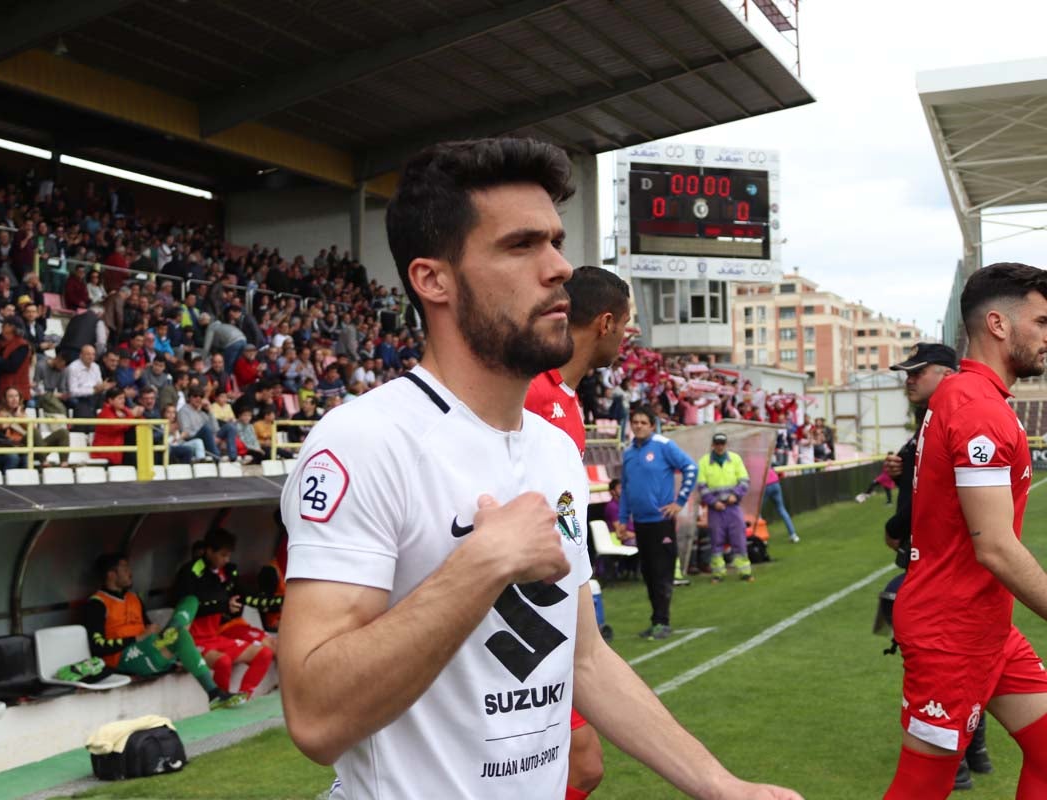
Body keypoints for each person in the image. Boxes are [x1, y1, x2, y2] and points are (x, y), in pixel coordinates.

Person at [278, 138, 800, 800]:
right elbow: (316, 717)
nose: (559, 268)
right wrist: (479, 565)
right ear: (433, 279)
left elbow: (583, 657)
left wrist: (723, 786)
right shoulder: (366, 441)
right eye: (521, 245)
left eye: (555, 241)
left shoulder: (552, 447)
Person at [884, 263, 1047, 800]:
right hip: (950, 631)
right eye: (1042, 323)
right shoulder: (979, 409)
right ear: (998, 324)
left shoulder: (965, 395)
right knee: (922, 787)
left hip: (986, 625)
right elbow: (996, 547)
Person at [522, 264, 630, 800]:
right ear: (606, 323)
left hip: (558, 604)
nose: (629, 338)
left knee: (582, 766)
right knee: (575, 765)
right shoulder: (535, 394)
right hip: (523, 614)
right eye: (627, 325)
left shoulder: (565, 398)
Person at [877, 341, 989, 791]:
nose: (908, 378)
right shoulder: (926, 424)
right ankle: (973, 752)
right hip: (943, 570)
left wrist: (894, 524)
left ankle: (957, 758)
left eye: (916, 371)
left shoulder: (950, 420)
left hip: (942, 576)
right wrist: (899, 470)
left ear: (945, 374)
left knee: (943, 667)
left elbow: (934, 503)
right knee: (979, 665)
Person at [82, 553, 245, 710]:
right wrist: (137, 638)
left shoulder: (133, 598)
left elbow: (146, 628)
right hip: (123, 658)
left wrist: (150, 635)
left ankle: (174, 632)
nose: (130, 573)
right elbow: (98, 647)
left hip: (148, 648)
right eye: (125, 569)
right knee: (180, 636)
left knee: (191, 600)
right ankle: (213, 693)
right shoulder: (97, 603)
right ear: (111, 574)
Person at [619, 407, 698, 638]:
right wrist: (623, 519)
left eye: (644, 422)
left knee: (662, 571)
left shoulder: (663, 445)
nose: (639, 426)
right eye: (635, 422)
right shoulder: (628, 453)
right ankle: (656, 619)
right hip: (640, 523)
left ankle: (663, 621)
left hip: (661, 521)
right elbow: (625, 488)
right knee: (648, 573)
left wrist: (679, 501)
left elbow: (691, 468)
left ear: (652, 425)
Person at [173, 529, 277, 698]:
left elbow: (242, 594)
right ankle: (221, 701)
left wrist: (271, 602)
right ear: (208, 551)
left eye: (228, 555)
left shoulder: (225, 572)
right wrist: (223, 606)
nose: (226, 560)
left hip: (214, 637)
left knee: (264, 653)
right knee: (223, 661)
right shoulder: (191, 573)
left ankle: (243, 697)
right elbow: (189, 605)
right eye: (222, 555)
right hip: (193, 639)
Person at [696, 432, 753, 583]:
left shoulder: (735, 459)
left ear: (726, 445)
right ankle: (718, 573)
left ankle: (745, 572)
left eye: (722, 444)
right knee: (716, 540)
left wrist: (736, 495)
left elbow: (744, 480)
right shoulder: (704, 462)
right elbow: (701, 486)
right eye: (717, 443)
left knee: (738, 537)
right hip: (715, 509)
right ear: (713, 445)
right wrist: (713, 502)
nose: (720, 446)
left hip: (733, 506)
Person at [762, 467, 799, 543]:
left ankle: (763, 539)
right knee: (782, 509)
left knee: (757, 513)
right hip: (775, 483)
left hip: (766, 485)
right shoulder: (765, 459)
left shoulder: (754, 461)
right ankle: (793, 535)